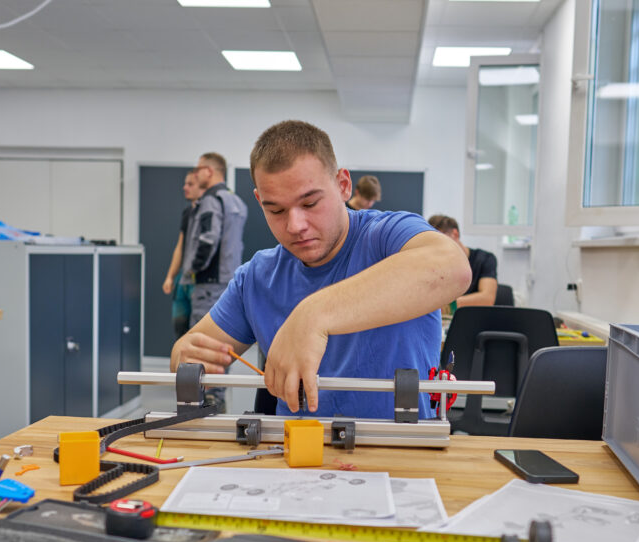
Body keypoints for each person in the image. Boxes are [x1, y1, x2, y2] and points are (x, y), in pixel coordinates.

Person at [171, 121, 471, 419]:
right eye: (276, 210)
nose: (295, 225)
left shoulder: (386, 237)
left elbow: (453, 267)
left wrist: (313, 314)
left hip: (399, 444)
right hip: (295, 445)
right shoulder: (256, 277)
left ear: (343, 185)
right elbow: (188, 353)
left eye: (310, 203)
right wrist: (183, 355)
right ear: (260, 201)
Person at [180, 152, 248, 411]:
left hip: (208, 284)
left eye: (198, 169)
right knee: (221, 344)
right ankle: (216, 396)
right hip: (227, 280)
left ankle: (205, 400)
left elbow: (208, 239)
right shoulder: (236, 201)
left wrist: (193, 270)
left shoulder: (210, 200)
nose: (196, 174)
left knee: (201, 344)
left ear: (209, 171)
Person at [162, 170, 204, 339]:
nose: (185, 187)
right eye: (185, 183)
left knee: (199, 331)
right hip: (183, 279)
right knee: (180, 327)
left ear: (202, 186)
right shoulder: (188, 213)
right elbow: (180, 246)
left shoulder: (210, 213)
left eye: (190, 184)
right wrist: (170, 276)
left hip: (200, 281)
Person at [428, 214, 498, 307]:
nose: (437, 249)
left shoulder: (485, 259)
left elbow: (487, 299)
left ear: (455, 234)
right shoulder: (435, 264)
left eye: (440, 242)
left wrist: (447, 306)